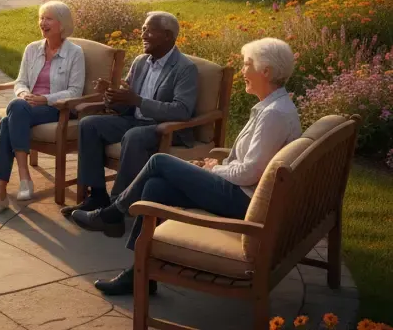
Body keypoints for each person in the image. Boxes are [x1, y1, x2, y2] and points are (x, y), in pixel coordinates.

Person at [72, 37, 301, 296]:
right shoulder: (273, 107)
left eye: (247, 64)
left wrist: (212, 170)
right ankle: (140, 273)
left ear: (266, 71)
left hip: (243, 201)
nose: (243, 71)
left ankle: (113, 213)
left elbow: (250, 172)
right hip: (242, 191)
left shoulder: (273, 114)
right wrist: (216, 165)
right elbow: (252, 164)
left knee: (159, 161)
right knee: (155, 187)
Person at [64, 11, 198, 219]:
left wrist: (138, 101)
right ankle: (97, 196)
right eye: (143, 29)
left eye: (149, 31)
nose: (143, 35)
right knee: (89, 124)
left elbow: (182, 111)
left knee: (134, 136)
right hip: (133, 120)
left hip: (162, 128)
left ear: (167, 36)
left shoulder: (185, 68)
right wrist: (111, 95)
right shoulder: (140, 62)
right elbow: (127, 102)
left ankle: (116, 207)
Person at [0, 1, 85, 217]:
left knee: (9, 118)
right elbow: (20, 81)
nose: (43, 23)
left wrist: (45, 99)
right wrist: (24, 94)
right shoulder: (32, 49)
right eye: (41, 18)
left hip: (56, 109)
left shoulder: (75, 53)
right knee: (13, 114)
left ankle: (3, 192)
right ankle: (19, 179)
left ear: (62, 24)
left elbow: (75, 91)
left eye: (49, 19)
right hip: (26, 106)